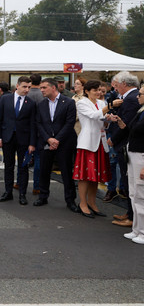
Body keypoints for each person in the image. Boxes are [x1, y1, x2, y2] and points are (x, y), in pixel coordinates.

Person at [34, 78, 79, 212]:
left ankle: (70, 200)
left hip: (64, 142)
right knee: (44, 170)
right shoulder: (41, 104)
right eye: (41, 88)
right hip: (46, 142)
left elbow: (70, 123)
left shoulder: (69, 102)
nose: (41, 90)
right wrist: (49, 139)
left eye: (44, 88)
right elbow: (39, 123)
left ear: (53, 88)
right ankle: (43, 196)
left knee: (66, 172)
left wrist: (57, 139)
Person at [0, 76, 36, 205]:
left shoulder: (31, 103)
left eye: (29, 87)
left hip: (24, 139)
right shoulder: (5, 99)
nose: (27, 90)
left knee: (23, 168)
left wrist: (32, 143)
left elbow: (33, 124)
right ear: (17, 86)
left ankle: (22, 194)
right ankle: (8, 192)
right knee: (9, 166)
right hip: (7, 137)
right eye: (24, 86)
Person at [73, 80, 111, 218]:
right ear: (87, 91)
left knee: (96, 176)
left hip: (100, 141)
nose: (98, 93)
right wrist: (109, 107)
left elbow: (102, 121)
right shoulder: (82, 102)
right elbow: (94, 116)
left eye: (99, 90)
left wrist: (108, 119)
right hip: (87, 142)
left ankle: (92, 203)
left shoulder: (101, 103)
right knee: (84, 176)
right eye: (95, 90)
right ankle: (83, 203)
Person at [107, 71, 141, 228]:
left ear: (124, 84)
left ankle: (132, 216)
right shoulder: (124, 99)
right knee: (128, 182)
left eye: (117, 84)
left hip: (128, 146)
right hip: (124, 144)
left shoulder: (132, 99)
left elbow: (126, 124)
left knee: (130, 182)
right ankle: (129, 213)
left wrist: (113, 139)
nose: (115, 87)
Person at [111, 84, 144, 243]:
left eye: (141, 94)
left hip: (141, 156)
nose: (138, 97)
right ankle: (136, 229)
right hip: (132, 154)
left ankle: (143, 232)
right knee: (133, 193)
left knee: (141, 194)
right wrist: (119, 121)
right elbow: (129, 129)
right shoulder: (140, 111)